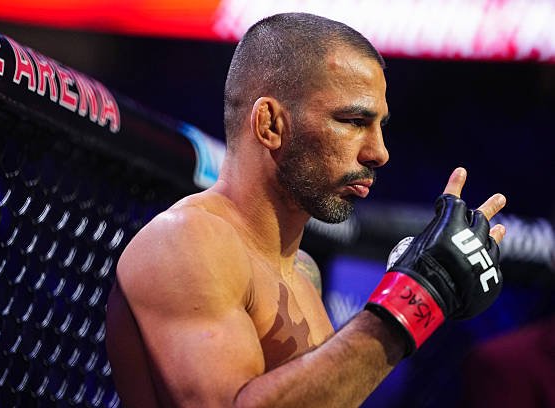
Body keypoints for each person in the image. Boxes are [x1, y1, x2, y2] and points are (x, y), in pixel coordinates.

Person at [105, 13, 507, 407]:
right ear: (270, 124)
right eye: (353, 120)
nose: (379, 152)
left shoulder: (303, 271)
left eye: (380, 126)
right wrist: (412, 298)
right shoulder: (186, 242)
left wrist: (427, 301)